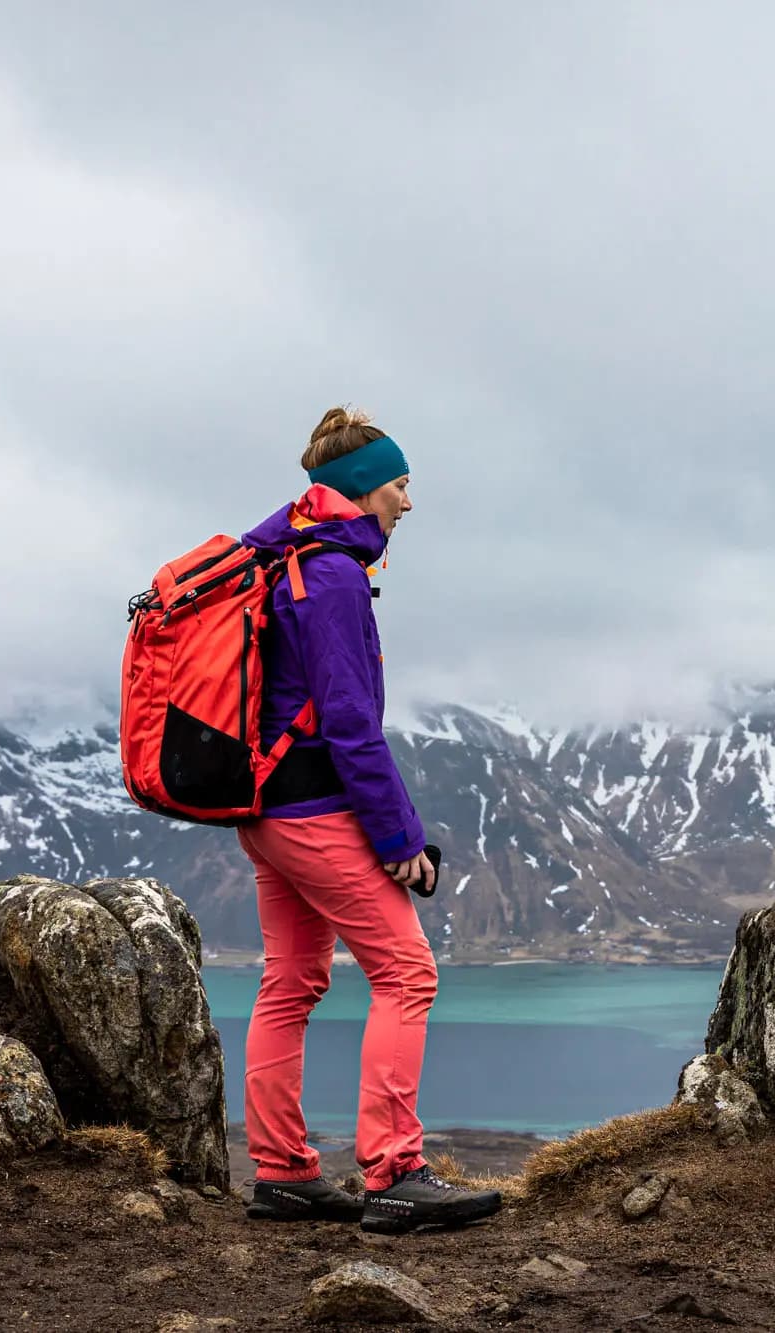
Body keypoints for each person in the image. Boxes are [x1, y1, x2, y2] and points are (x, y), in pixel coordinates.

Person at [236, 405, 501, 1235]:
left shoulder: (286, 560)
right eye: (399, 485)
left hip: (267, 810)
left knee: (290, 981)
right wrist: (400, 840)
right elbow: (349, 722)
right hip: (315, 809)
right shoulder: (336, 576)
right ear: (360, 491)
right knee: (406, 973)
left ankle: (281, 1172)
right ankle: (395, 1173)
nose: (407, 504)